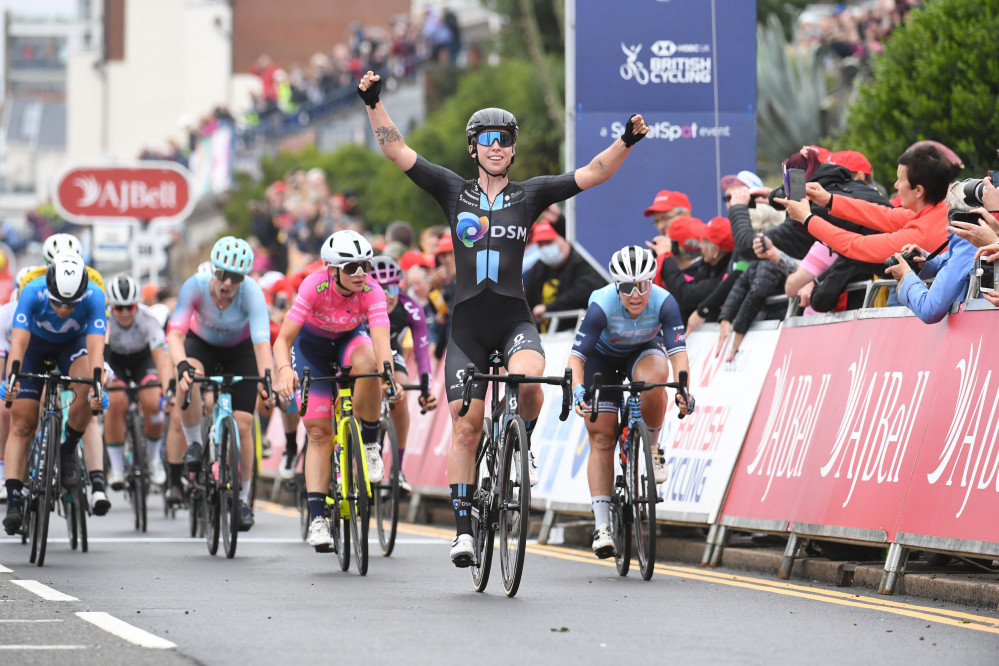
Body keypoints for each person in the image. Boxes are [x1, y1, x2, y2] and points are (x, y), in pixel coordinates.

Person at [358, 68, 649, 566]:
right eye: (487, 140)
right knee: (466, 427)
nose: (497, 147)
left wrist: (626, 140)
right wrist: (373, 102)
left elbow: (594, 172)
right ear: (473, 148)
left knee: (531, 379)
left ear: (513, 148)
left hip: (514, 319)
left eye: (506, 139)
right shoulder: (452, 191)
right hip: (468, 326)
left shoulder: (530, 194)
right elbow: (396, 149)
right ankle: (464, 531)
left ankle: (522, 441)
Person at [567, 246, 692, 558]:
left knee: (657, 378)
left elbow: (678, 353)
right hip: (602, 359)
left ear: (652, 282)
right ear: (616, 286)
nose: (636, 295)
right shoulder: (601, 304)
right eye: (626, 287)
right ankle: (602, 526)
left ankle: (651, 447)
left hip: (643, 350)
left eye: (643, 285)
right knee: (601, 436)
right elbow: (576, 358)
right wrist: (578, 390)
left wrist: (683, 390)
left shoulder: (665, 302)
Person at [272, 230, 394, 550]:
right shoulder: (314, 286)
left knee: (370, 361)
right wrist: (284, 370)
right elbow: (283, 339)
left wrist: (389, 374)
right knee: (318, 434)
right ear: (332, 270)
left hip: (348, 343)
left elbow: (381, 341)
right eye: (351, 267)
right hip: (311, 350)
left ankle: (368, 444)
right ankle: (317, 519)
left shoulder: (372, 289)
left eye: (364, 265)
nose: (360, 273)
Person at [168, 236, 274, 532]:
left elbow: (262, 342)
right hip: (201, 344)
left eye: (235, 277)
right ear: (212, 270)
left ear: (245, 278)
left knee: (243, 423)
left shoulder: (252, 292)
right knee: (188, 380)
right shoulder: (195, 286)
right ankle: (195, 445)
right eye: (221, 274)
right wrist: (182, 365)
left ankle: (242, 498)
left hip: (239, 351)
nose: (227, 283)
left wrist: (267, 379)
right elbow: (176, 335)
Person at [2, 253, 108, 534]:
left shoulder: (95, 296)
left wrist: (98, 386)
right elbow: (19, 341)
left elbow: (96, 348)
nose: (63, 309)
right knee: (22, 422)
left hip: (71, 345)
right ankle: (13, 500)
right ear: (49, 288)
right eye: (57, 301)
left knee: (86, 387)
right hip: (34, 348)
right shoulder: (32, 292)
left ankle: (69, 446)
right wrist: (12, 377)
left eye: (70, 304)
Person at [775, 143, 951, 268]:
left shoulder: (919, 234)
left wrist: (807, 218)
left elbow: (855, 245)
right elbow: (880, 214)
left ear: (918, 191)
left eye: (900, 180)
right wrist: (829, 199)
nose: (896, 185)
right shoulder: (935, 212)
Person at [369, 255, 439, 492]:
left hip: (390, 351)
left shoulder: (409, 307)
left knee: (401, 391)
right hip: (361, 351)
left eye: (391, 288)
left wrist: (426, 388)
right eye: (380, 288)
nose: (387, 295)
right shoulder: (358, 304)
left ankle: (397, 470)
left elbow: (421, 350)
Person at [885, 181, 996, 324]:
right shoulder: (984, 240)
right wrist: (926, 261)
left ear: (956, 217)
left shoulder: (967, 242)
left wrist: (906, 277)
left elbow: (930, 309)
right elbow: (956, 263)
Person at [104, 275, 174, 491]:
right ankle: (116, 467)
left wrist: (167, 390)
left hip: (143, 360)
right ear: (111, 307)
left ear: (138, 304)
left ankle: (153, 460)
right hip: (115, 361)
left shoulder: (149, 320)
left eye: (130, 307)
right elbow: (102, 355)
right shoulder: (104, 320)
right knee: (115, 401)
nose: (125, 313)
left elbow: (161, 360)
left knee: (153, 403)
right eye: (119, 308)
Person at [523, 220, 607, 332]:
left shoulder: (583, 260)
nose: (545, 249)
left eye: (549, 242)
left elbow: (585, 291)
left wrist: (548, 308)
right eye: (540, 244)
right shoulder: (538, 268)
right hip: (545, 337)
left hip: (578, 332)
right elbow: (527, 302)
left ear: (564, 238)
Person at [0, 266, 37, 503]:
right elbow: (3, 357)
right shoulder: (7, 314)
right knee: (5, 409)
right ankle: (4, 471)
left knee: (48, 400)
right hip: (16, 362)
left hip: (43, 359)